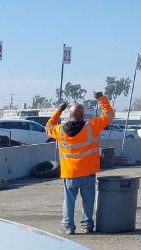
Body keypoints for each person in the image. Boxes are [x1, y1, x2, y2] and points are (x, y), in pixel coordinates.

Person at [45, 91, 115, 234]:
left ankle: (68, 226)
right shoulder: (91, 126)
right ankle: (87, 225)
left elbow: (48, 127)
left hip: (70, 174)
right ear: (82, 115)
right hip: (88, 173)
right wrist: (101, 98)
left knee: (69, 201)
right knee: (88, 201)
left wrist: (58, 111)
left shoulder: (60, 131)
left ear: (69, 116)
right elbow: (109, 115)